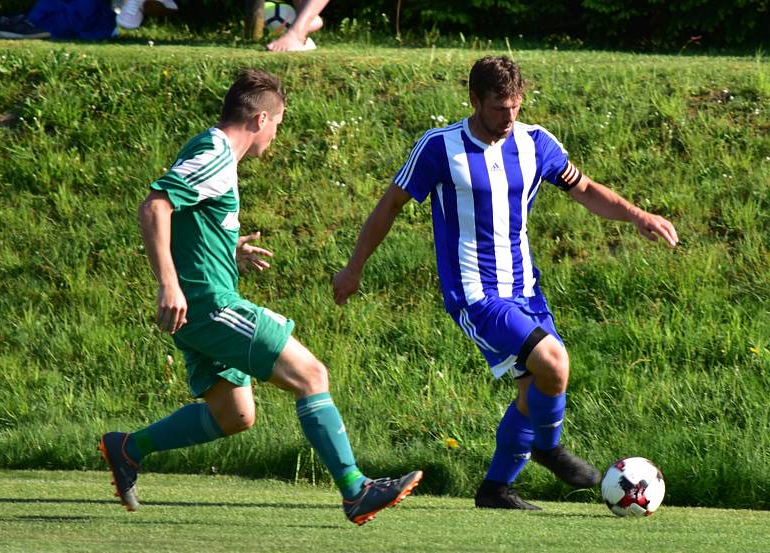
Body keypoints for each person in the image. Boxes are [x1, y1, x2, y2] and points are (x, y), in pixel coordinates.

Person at [333, 55, 678, 510]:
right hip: (474, 293)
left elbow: (586, 190)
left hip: (525, 289)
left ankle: (495, 489)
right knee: (554, 362)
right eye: (499, 108)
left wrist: (638, 215)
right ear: (474, 100)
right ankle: (547, 446)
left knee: (532, 392)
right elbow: (390, 205)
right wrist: (354, 268)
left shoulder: (537, 143)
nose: (509, 117)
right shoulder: (440, 147)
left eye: (516, 106)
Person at [99, 68, 422, 525]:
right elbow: (155, 206)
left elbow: (188, 218)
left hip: (199, 306)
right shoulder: (214, 151)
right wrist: (168, 284)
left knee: (235, 415)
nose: (276, 134)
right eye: (279, 124)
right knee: (311, 374)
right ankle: (355, 488)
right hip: (209, 304)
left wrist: (228, 247)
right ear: (261, 119)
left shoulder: (217, 156)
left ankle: (129, 448)